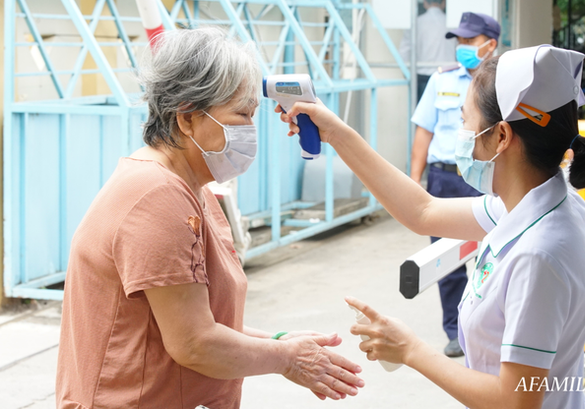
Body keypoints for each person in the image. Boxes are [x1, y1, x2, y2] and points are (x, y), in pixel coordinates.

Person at [277, 44, 585, 408]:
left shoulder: (539, 254)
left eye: (465, 122)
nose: (460, 135)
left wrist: (410, 350)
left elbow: (515, 401)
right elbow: (423, 211)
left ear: (502, 137)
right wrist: (335, 132)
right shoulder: (539, 203)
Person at [56, 27, 364, 409]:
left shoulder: (190, 188)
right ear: (186, 118)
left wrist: (278, 342)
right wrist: (289, 359)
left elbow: (204, 320)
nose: (250, 130)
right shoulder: (155, 197)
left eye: (252, 116)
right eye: (240, 115)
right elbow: (195, 343)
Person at [409, 11, 500, 357]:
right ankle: (455, 330)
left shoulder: (502, 85)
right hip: (444, 178)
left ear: (489, 45)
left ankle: (488, 327)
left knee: (493, 257)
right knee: (445, 260)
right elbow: (424, 130)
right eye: (458, 41)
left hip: (487, 179)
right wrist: (414, 181)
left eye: (468, 41)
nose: (461, 47)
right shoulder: (441, 80)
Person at [399, 0, 456, 99]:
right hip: (447, 76)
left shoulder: (416, 24)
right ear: (444, 2)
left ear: (424, 2)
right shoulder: (452, 25)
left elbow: (404, 51)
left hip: (422, 79)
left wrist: (406, 73)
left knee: (422, 115)